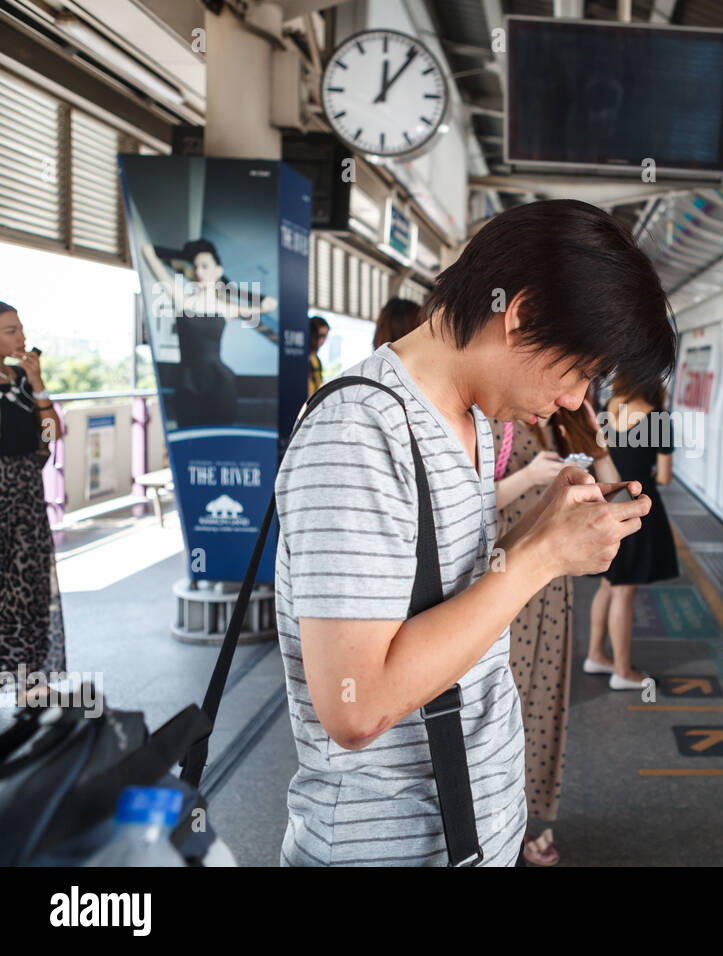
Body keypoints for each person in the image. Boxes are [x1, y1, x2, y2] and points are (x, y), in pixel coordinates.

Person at [273, 199, 675, 867]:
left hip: (466, 837)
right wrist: (539, 558)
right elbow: (357, 706)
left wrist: (538, 532)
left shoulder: (468, 420)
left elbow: (452, 602)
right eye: (578, 371)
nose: (578, 401)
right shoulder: (361, 432)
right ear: (520, 316)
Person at [489, 398, 618, 866]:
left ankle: (526, 822)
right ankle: (494, 826)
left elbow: (612, 492)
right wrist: (530, 476)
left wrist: (593, 439)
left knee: (543, 706)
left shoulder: (566, 419)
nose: (573, 389)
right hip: (505, 580)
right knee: (503, 707)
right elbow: (470, 501)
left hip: (553, 588)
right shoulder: (497, 414)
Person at [586, 373, 679, 690]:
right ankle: (622, 671)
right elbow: (664, 477)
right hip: (637, 508)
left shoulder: (608, 407)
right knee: (624, 591)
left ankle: (596, 654)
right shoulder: (657, 418)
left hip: (610, 504)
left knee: (608, 584)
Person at [138, 238, 278, 428]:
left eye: (205, 266)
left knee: (221, 441)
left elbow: (270, 304)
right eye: (195, 266)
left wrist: (234, 289)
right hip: (187, 383)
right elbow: (148, 251)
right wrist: (185, 255)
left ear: (218, 270)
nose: (198, 272)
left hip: (219, 384)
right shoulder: (182, 301)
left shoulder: (227, 308)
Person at [0, 303, 66, 680]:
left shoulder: (23, 380)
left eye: (21, 330)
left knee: (28, 590)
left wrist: (38, 385)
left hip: (26, 496)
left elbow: (50, 435)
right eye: (11, 331)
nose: (22, 339)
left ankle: (26, 678)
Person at [307, 315, 329, 396]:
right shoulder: (304, 360)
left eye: (325, 336)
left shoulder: (316, 360)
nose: (322, 341)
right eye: (320, 336)